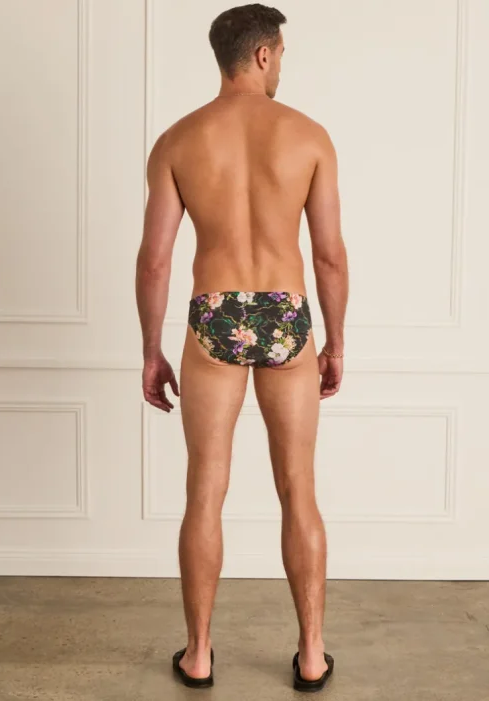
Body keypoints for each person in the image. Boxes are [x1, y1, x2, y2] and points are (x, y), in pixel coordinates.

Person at [135, 3, 348, 693]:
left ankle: (198, 655)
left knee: (205, 488)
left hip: (214, 313)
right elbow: (329, 256)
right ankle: (311, 654)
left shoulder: (177, 140)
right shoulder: (309, 136)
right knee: (298, 489)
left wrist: (151, 350)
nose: (281, 64)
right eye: (280, 53)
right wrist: (334, 340)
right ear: (262, 54)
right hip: (285, 313)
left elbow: (155, 260)